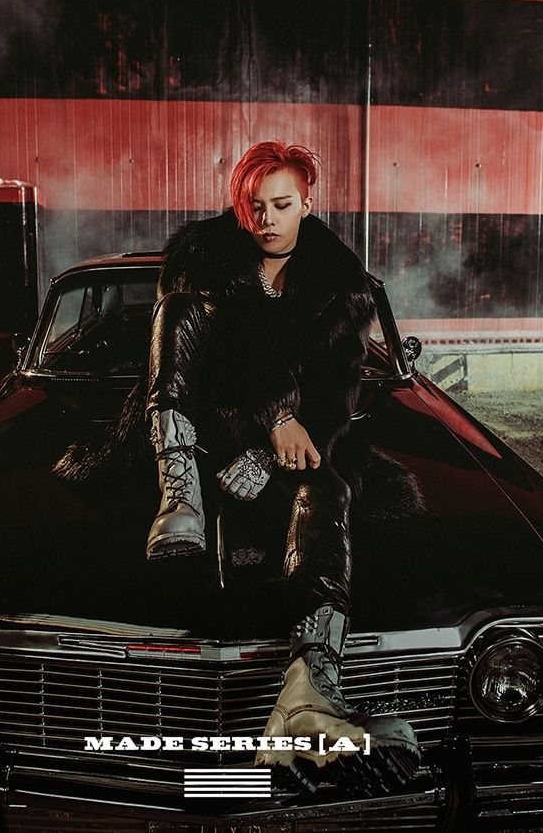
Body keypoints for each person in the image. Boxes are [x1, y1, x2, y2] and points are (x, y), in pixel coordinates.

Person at [141, 140, 420, 791]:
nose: (266, 218)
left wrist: (272, 452)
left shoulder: (344, 284)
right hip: (195, 418)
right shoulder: (203, 261)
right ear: (239, 206)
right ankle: (176, 491)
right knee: (180, 304)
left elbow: (335, 399)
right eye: (254, 205)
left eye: (282, 204)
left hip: (292, 435)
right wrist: (270, 416)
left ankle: (308, 692)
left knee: (327, 484)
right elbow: (212, 363)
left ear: (308, 203)